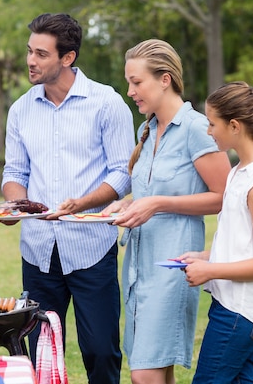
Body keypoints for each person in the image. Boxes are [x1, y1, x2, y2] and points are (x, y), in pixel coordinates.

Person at [1, 13, 135, 384]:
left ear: (67, 58)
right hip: (39, 249)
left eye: (41, 54)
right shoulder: (21, 109)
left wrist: (83, 202)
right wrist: (17, 204)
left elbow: (122, 174)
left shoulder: (107, 103)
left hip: (92, 246)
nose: (31, 60)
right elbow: (14, 175)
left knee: (101, 349)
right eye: (29, 51)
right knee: (38, 350)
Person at [102, 39, 231, 384]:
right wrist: (129, 204)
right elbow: (152, 193)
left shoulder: (196, 129)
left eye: (136, 82)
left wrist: (157, 203)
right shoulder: (146, 129)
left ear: (165, 79)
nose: (130, 91)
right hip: (137, 267)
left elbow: (224, 197)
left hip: (174, 264)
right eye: (128, 82)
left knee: (144, 374)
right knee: (155, 371)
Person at [178, 81, 253, 383]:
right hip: (229, 305)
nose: (208, 131)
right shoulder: (239, 173)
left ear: (235, 126)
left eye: (212, 123)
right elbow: (243, 245)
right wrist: (204, 256)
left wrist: (211, 269)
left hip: (241, 312)